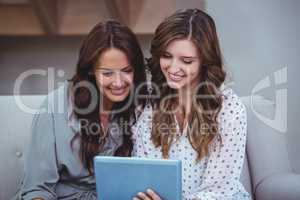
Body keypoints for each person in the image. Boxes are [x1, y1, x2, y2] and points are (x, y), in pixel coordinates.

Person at [18, 20, 147, 200]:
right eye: (107, 73)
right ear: (91, 71)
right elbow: (37, 189)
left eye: (126, 70)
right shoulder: (56, 107)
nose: (118, 83)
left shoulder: (142, 107)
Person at [132, 9, 251, 200]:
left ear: (205, 61)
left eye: (186, 61)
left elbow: (219, 190)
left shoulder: (228, 109)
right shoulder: (149, 104)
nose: (173, 68)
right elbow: (142, 172)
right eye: (166, 56)